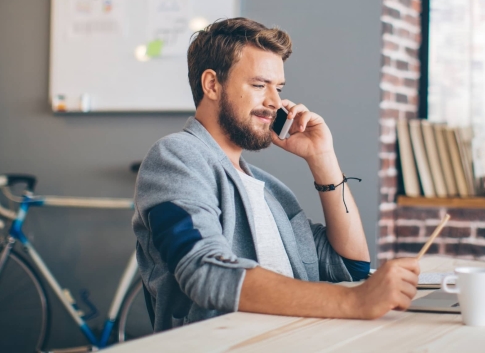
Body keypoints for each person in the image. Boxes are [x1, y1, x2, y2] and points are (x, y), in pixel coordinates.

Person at [133, 17, 420, 332]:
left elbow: (349, 266)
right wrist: (353, 302)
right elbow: (206, 272)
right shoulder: (175, 158)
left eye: (278, 88)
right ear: (212, 84)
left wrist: (322, 158)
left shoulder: (271, 191)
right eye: (259, 85)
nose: (274, 102)